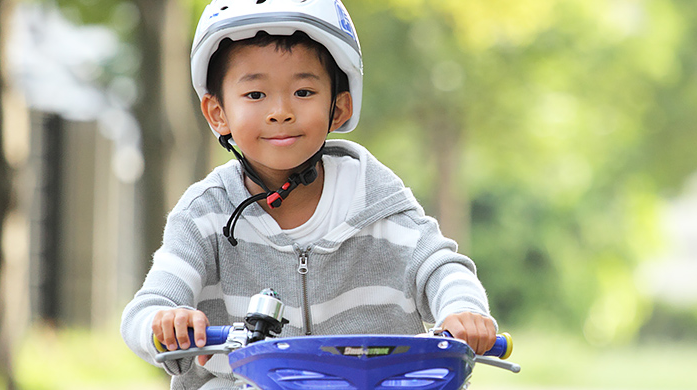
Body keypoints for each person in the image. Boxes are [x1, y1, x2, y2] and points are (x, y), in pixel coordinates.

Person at [120, 0, 496, 388]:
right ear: (218, 113)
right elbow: (145, 310)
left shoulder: (376, 201)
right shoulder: (205, 216)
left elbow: (440, 266)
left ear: (339, 107)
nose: (280, 111)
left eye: (303, 91)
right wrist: (165, 322)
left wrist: (462, 311)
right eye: (255, 95)